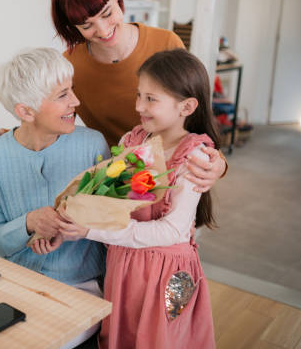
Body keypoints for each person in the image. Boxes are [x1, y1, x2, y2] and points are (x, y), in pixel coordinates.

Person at [0, 0, 226, 193]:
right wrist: (11, 136)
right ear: (72, 26)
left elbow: (195, 115)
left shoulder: (165, 43)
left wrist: (218, 162)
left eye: (106, 13)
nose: (103, 31)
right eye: (86, 25)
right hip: (115, 181)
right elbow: (54, 118)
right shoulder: (72, 64)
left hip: (172, 174)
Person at [56, 49, 218, 348]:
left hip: (163, 274)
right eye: (139, 95)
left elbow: (171, 231)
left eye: (151, 99)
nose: (138, 106)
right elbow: (113, 205)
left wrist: (91, 230)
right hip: (123, 265)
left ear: (187, 106)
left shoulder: (193, 157)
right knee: (124, 334)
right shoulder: (131, 142)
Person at [0, 47, 109, 348]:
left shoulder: (93, 145)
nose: (76, 101)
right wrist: (28, 223)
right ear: (25, 111)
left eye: (71, 90)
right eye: (63, 95)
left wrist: (69, 228)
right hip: (15, 286)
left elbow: (108, 223)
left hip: (80, 288)